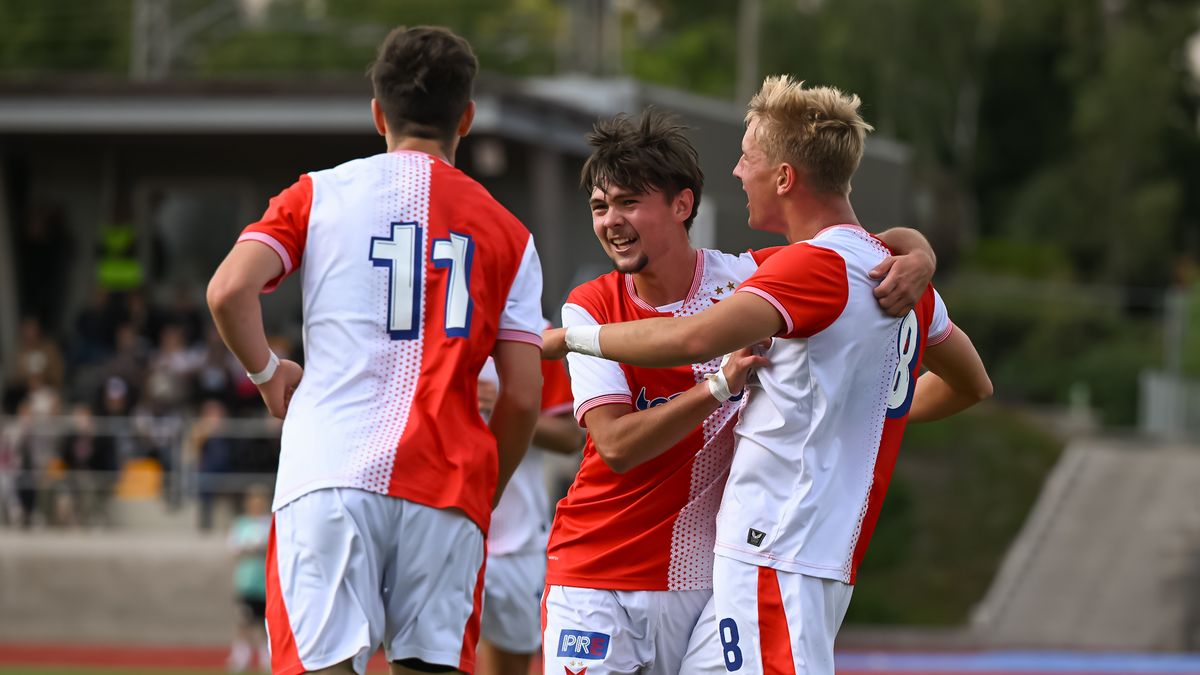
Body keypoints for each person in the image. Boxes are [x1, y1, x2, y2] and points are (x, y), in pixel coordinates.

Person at [546, 78, 993, 675]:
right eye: (601, 206)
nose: (736, 171)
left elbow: (693, 337)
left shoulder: (770, 274)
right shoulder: (598, 300)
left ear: (682, 205)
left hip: (756, 557)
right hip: (606, 570)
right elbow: (616, 444)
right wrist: (918, 253)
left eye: (629, 202)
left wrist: (560, 341)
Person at [206, 26, 544, 675]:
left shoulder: (316, 193)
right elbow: (523, 397)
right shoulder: (510, 232)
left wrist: (269, 373)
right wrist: (482, 491)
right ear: (466, 118)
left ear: (377, 113)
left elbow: (227, 290)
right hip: (444, 485)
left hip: (328, 472)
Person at [475, 351, 582, 675]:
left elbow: (570, 436)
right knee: (436, 658)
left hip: (518, 537)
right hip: (444, 525)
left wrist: (510, 409)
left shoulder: (534, 335)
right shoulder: (433, 323)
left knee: (510, 664)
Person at [228, 483, 273, 673]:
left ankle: (266, 654)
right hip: (246, 581)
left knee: (265, 621)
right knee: (244, 620)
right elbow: (233, 548)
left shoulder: (270, 523)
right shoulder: (241, 524)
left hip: (265, 582)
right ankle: (242, 654)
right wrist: (249, 548)